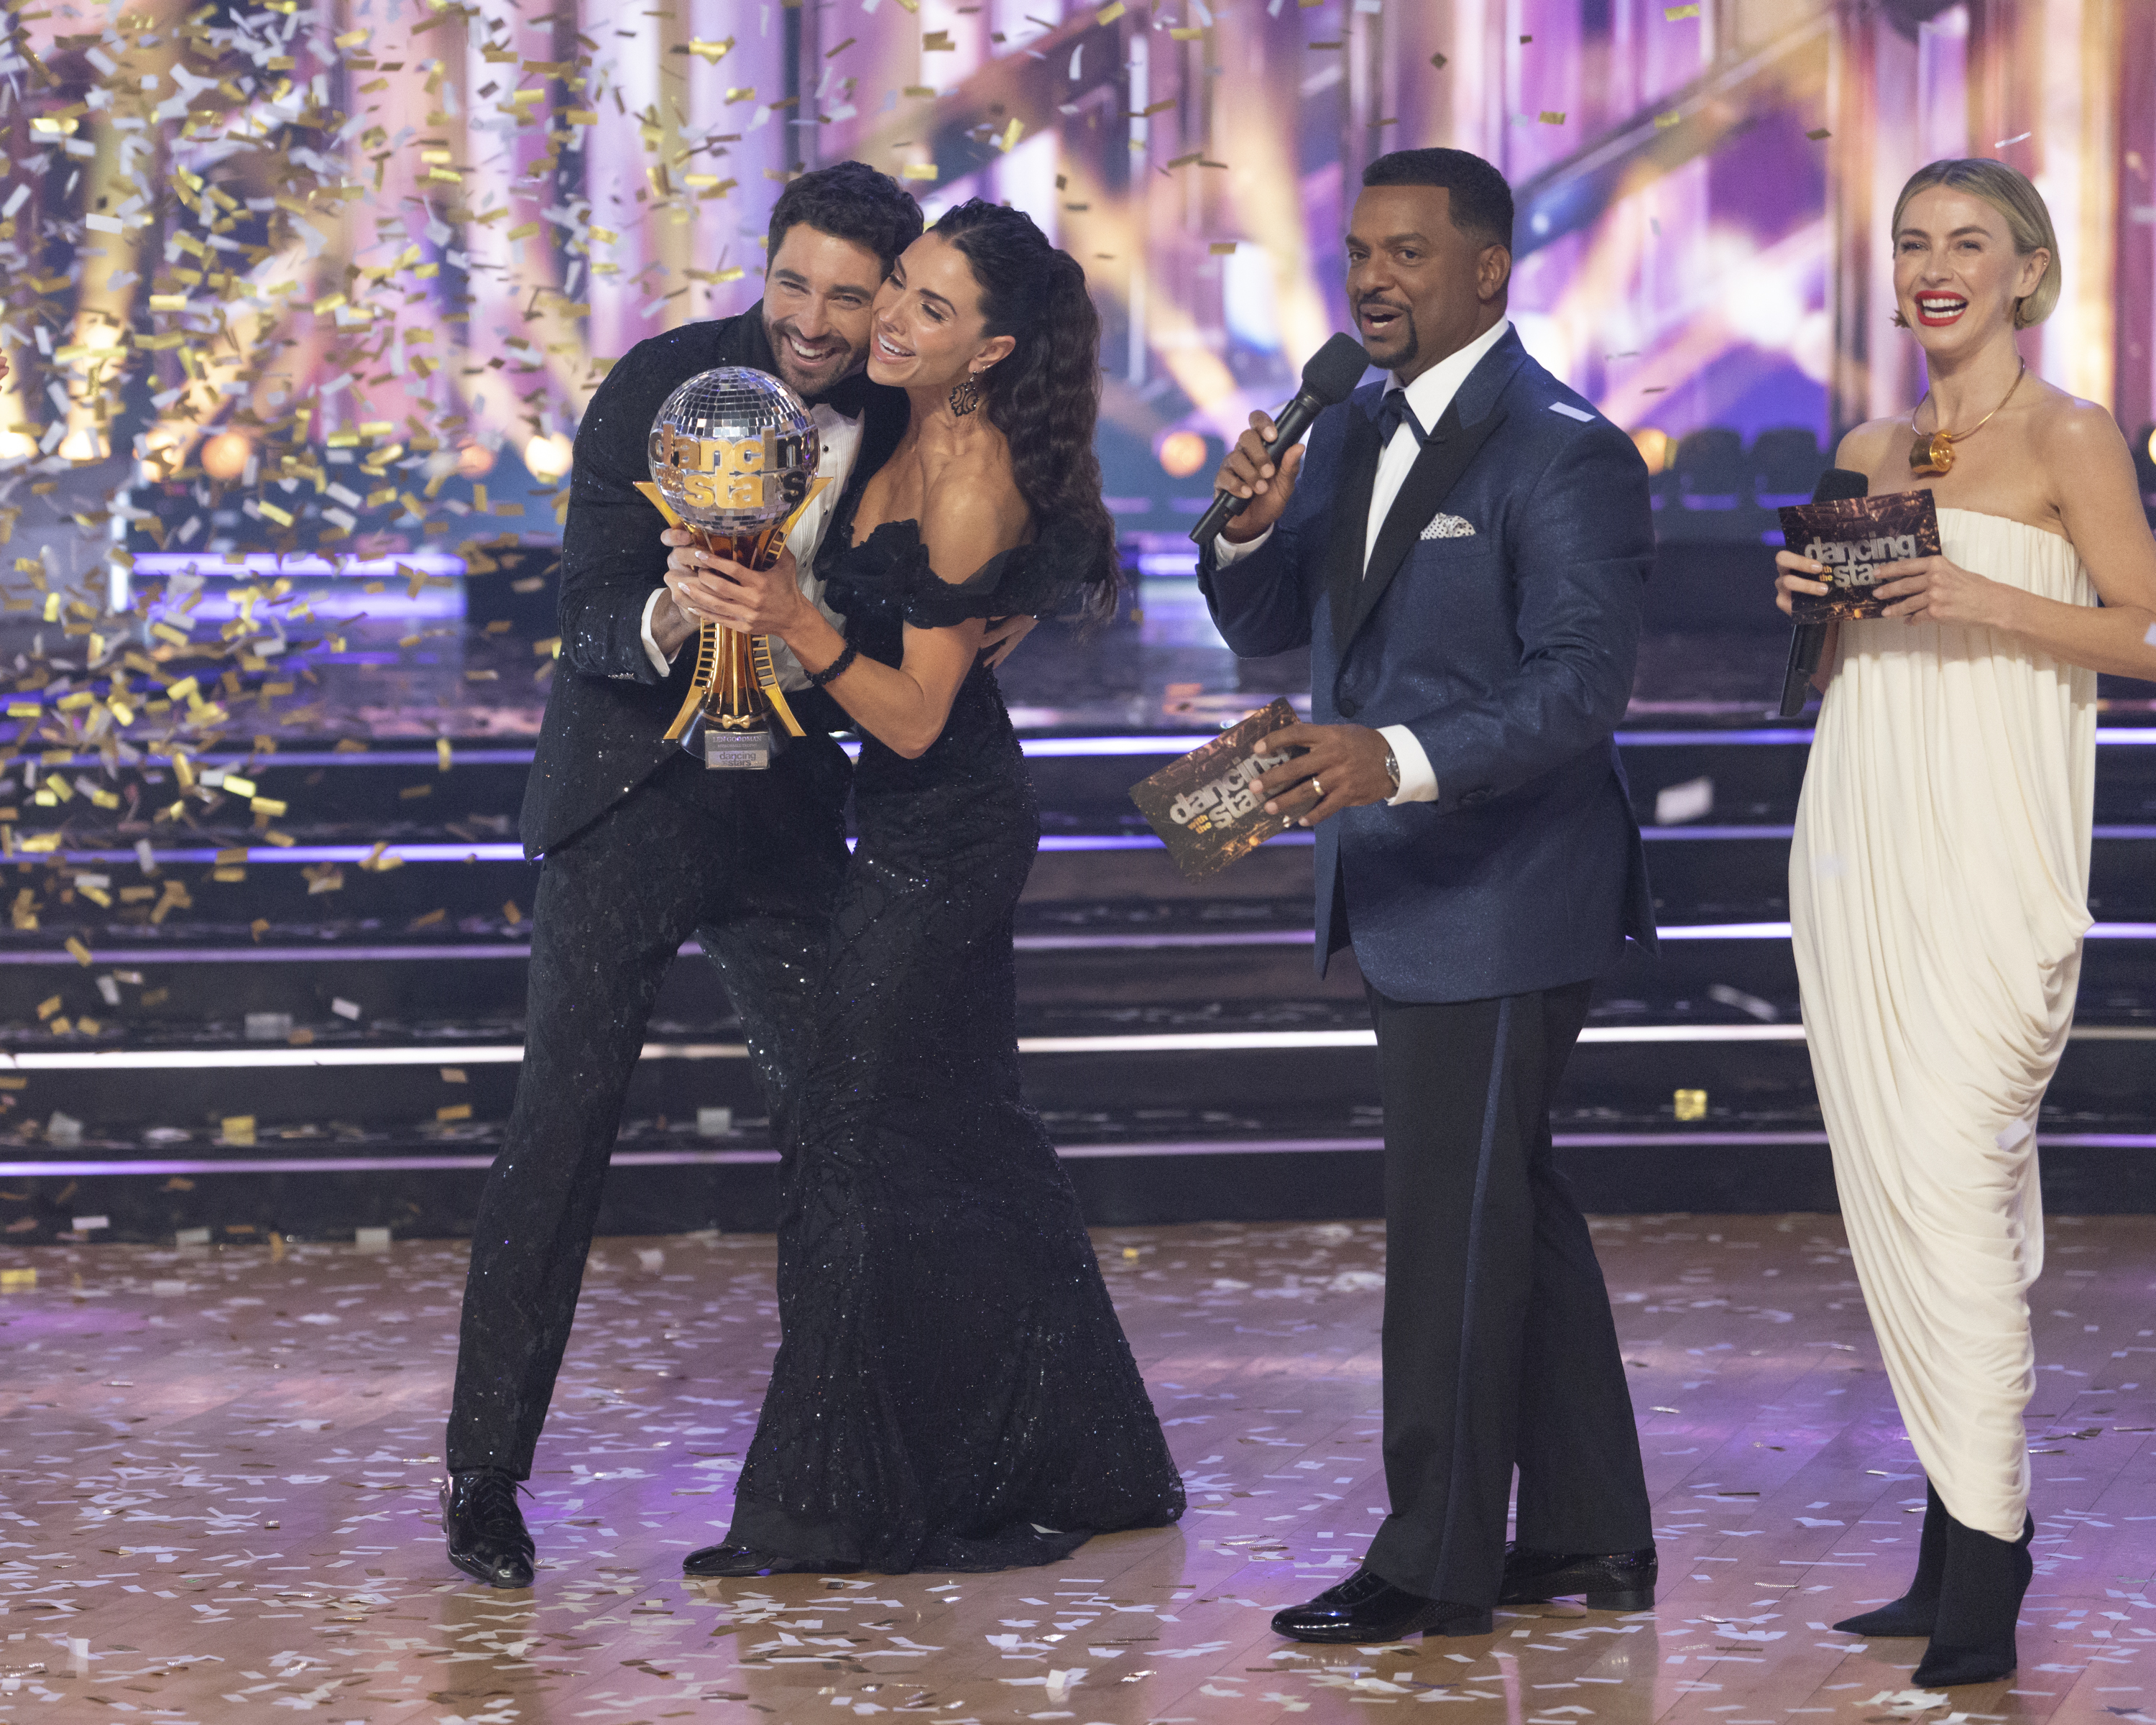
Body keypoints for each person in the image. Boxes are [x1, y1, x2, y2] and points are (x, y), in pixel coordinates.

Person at [440, 162, 1027, 1589]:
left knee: (845, 1130)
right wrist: (663, 609)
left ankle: (828, 1482)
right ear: (762, 271)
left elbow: (1006, 549)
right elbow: (578, 612)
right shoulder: (661, 381)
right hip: (625, 803)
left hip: (791, 821)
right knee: (559, 1133)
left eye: (848, 294)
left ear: (890, 295)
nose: (815, 322)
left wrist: (1001, 602)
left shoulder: (912, 417)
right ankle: (483, 1476)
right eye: (793, 286)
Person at [654, 200, 1185, 1576]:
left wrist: (796, 623)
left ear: (991, 349)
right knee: (971, 1139)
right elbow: (1039, 552)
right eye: (900, 283)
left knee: (857, 1133)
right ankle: (1091, 1454)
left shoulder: (969, 474)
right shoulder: (895, 428)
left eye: (930, 309)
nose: (890, 316)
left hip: (946, 835)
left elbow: (912, 721)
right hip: (895, 825)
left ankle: (834, 1500)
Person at [1197, 147, 1659, 1642]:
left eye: (1407, 254)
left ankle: (1435, 1562)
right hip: (1412, 886)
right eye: (1359, 255)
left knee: (1451, 1230)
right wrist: (1251, 525)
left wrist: (1387, 758)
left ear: (1488, 271)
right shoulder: (1347, 424)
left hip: (1508, 892)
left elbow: (1580, 688)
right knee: (1506, 1207)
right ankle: (1588, 1533)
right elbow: (1269, 624)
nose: (1375, 281)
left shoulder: (1562, 447)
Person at [1777, 158, 2156, 1686]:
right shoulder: (1872, 441)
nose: (1937, 264)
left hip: (1992, 848)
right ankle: (1953, 1545)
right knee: (1906, 1193)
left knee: (1954, 1172)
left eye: (1969, 242)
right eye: (1914, 241)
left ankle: (1990, 1561)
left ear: (2025, 271)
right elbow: (1841, 666)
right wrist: (1817, 600)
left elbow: (2150, 630)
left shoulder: (2071, 436)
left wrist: (1982, 592)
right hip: (1859, 830)